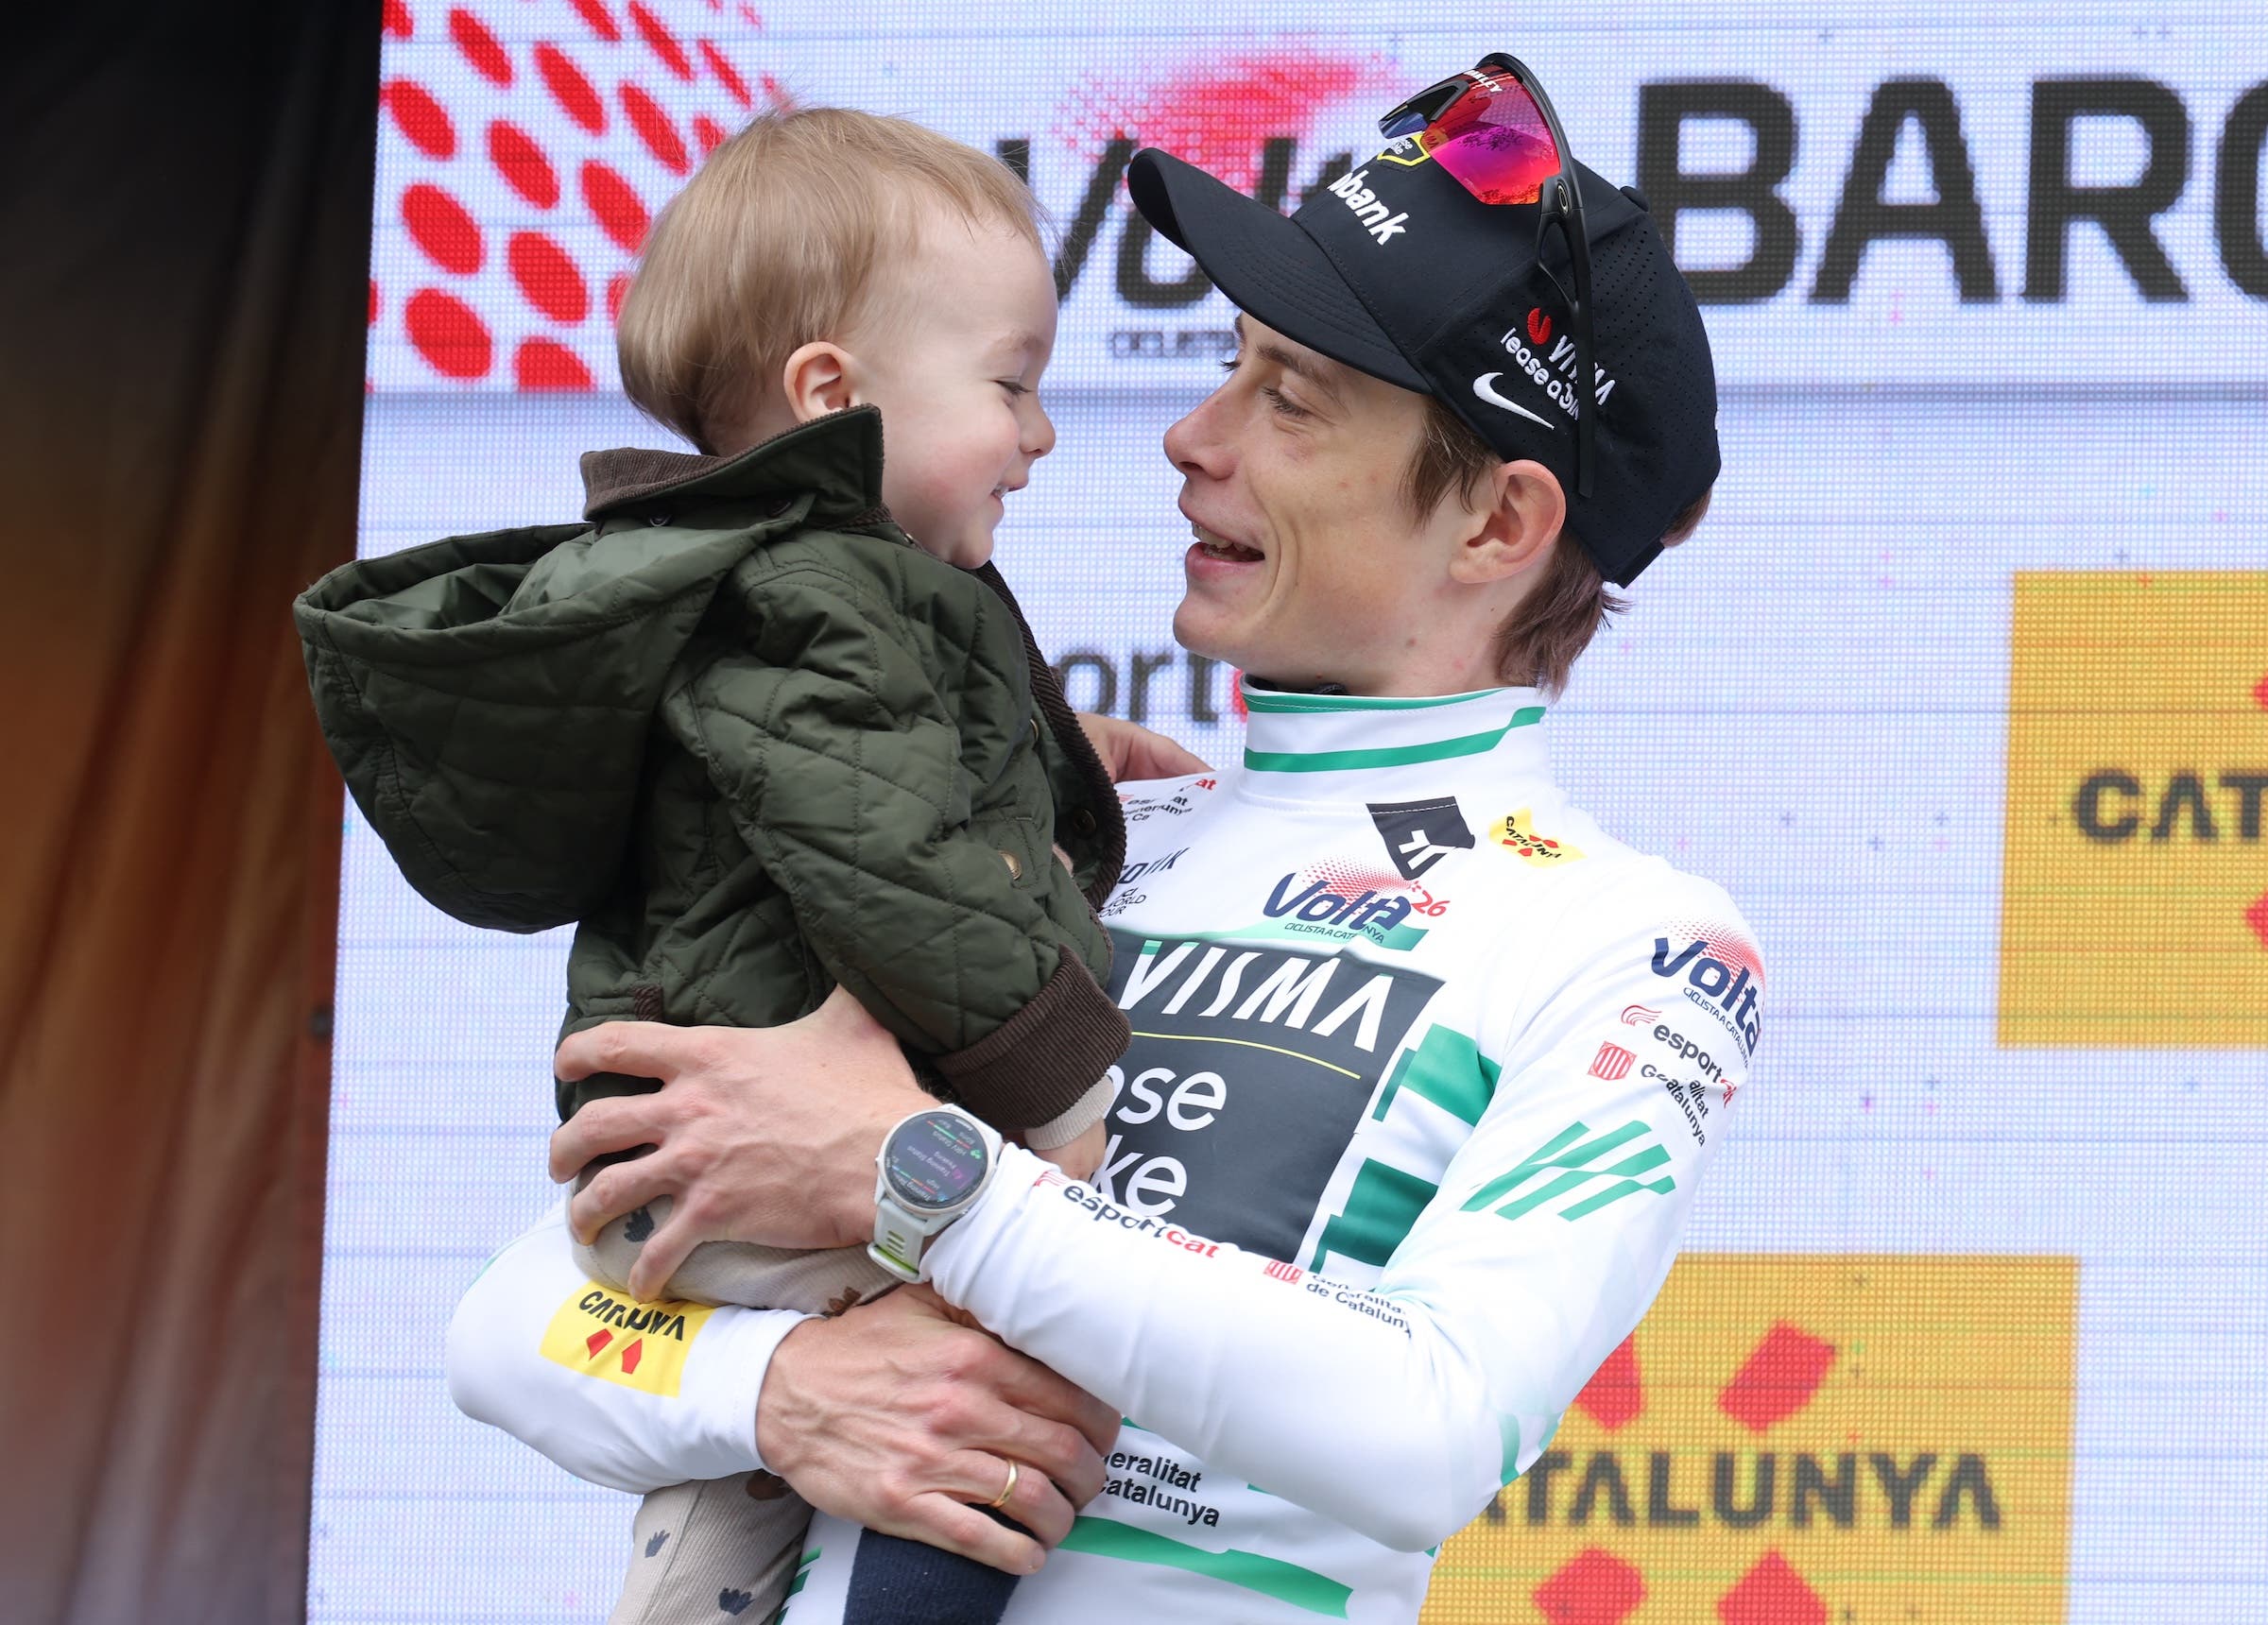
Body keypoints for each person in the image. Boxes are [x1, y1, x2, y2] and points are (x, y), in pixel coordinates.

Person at [443, 54, 1762, 1624]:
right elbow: (516, 1324)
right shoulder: (1055, 821)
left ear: (1498, 525)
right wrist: (777, 1384)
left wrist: (920, 1179)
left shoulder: (1635, 942)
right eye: (1228, 363)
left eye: (1291, 398)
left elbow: (1432, 1428)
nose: (1189, 435)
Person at [297, 108, 1204, 1625]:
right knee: (977, 1416)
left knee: (722, 1517)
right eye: (1011, 388)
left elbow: (867, 783)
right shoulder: (822, 591)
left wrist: (1056, 748)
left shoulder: (770, 584)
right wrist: (1061, 1099)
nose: (1042, 436)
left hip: (707, 1183)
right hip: (781, 1176)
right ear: (832, 394)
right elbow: (896, 867)